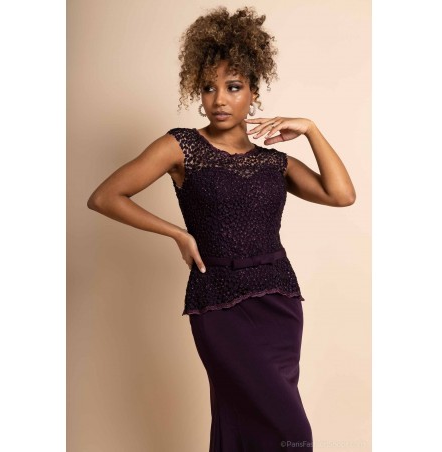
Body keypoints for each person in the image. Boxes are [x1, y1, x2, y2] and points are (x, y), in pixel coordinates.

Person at [87, 6, 356, 451]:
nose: (219, 100)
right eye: (209, 87)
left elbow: (342, 195)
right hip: (218, 302)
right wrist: (178, 233)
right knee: (289, 433)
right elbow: (105, 197)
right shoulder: (181, 146)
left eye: (233, 87)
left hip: (279, 302)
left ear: (253, 91)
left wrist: (311, 129)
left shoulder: (274, 162)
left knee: (244, 424)